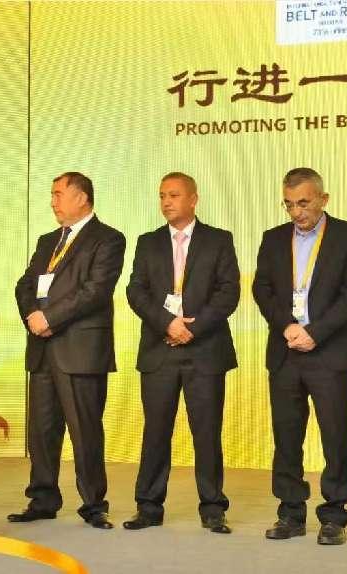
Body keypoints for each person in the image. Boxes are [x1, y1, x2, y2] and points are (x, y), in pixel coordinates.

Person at [253, 167, 347, 545]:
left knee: (336, 436)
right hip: (286, 350)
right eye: (288, 204)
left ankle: (334, 515)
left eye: (303, 203)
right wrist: (286, 325)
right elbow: (262, 288)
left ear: (323, 199)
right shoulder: (273, 238)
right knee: (287, 436)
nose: (296, 212)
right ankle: (290, 512)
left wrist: (314, 332)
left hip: (330, 351)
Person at [123, 172, 239, 534]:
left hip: (205, 350)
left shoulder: (219, 240)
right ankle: (148, 506)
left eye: (173, 195)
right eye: (162, 195)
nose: (166, 202)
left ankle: (213, 508)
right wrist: (167, 324)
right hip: (160, 349)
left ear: (193, 199)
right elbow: (136, 291)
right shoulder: (147, 242)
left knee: (207, 432)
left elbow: (229, 292)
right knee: (156, 431)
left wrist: (192, 328)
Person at [9, 172, 125, 530]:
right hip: (42, 348)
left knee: (85, 431)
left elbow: (95, 291)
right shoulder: (48, 241)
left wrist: (50, 318)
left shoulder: (108, 239)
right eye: (52, 194)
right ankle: (42, 499)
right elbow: (25, 284)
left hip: (80, 350)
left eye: (59, 194)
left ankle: (93, 504)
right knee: (42, 431)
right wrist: (32, 316)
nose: (53, 201)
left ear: (82, 197)